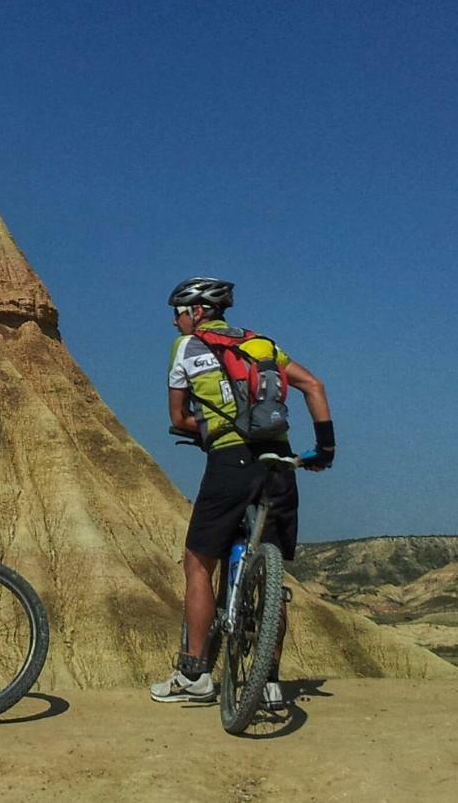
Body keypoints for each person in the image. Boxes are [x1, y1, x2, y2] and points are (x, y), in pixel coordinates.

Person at [151, 276, 334, 708]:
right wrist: (324, 449)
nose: (175, 322)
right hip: (279, 462)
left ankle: (194, 676)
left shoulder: (187, 347)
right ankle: (269, 682)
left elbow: (178, 418)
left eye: (178, 312)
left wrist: (211, 430)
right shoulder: (263, 346)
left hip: (230, 462)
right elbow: (314, 386)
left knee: (198, 562)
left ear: (197, 312)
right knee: (271, 571)